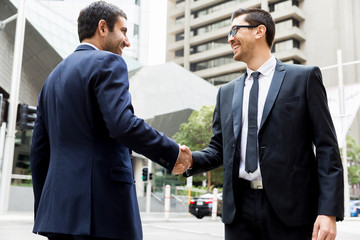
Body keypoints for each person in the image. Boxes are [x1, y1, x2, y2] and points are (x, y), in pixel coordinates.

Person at [30, 1, 190, 240]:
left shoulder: (51, 79)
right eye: (123, 31)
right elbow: (123, 125)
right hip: (102, 211)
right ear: (102, 28)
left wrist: (46, 210)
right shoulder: (108, 62)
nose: (127, 41)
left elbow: (38, 153)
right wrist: (172, 151)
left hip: (58, 214)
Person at [182, 8, 344, 240]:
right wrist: (190, 160)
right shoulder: (226, 93)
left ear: (260, 31)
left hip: (292, 208)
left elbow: (327, 147)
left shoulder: (304, 78)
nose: (230, 38)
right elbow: (219, 149)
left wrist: (328, 211)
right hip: (239, 211)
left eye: (235, 30)